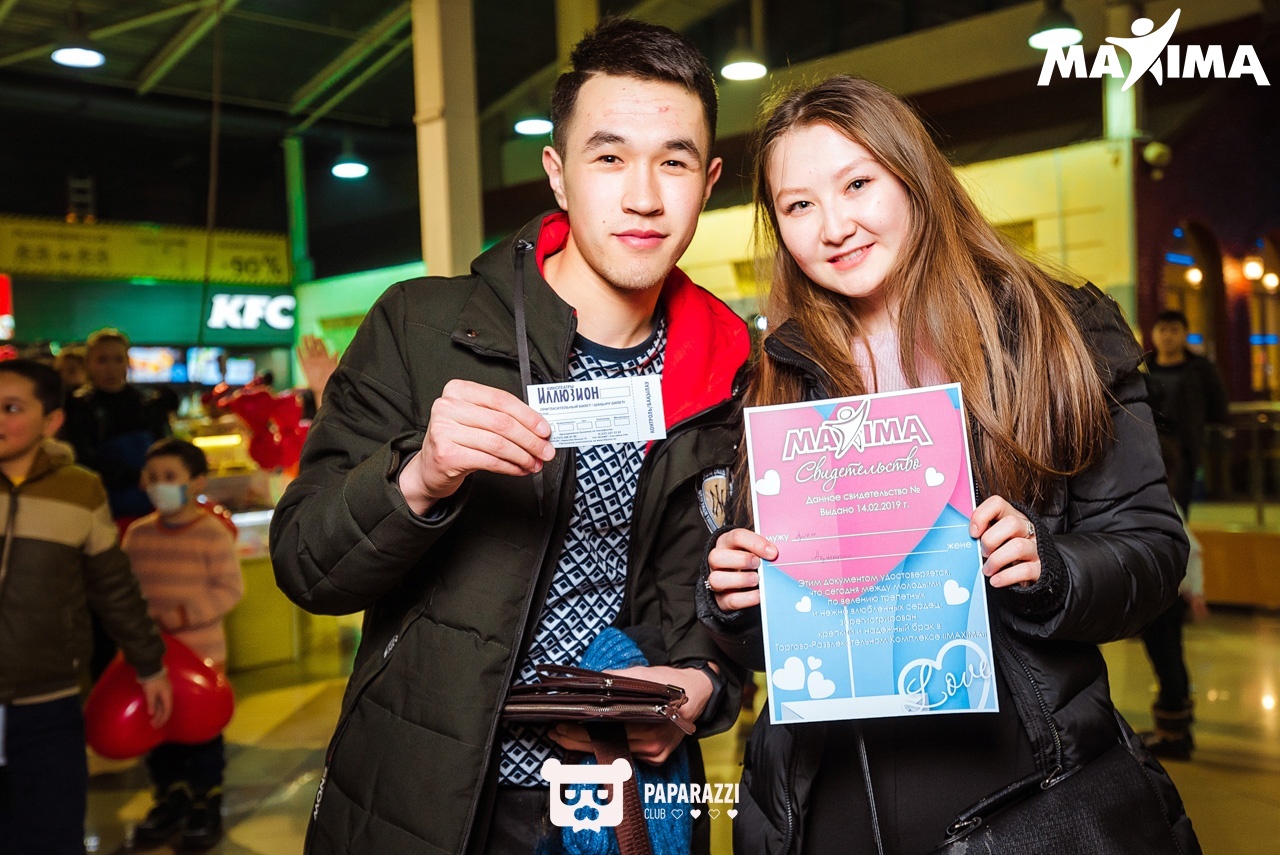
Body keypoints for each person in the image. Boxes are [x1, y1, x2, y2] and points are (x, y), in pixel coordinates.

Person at [270, 18, 749, 855]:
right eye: (609, 157)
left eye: (673, 162)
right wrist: (419, 476)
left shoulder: (727, 373)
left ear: (707, 181)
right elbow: (306, 564)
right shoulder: (424, 328)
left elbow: (713, 601)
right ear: (558, 174)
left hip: (618, 794)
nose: (644, 196)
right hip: (431, 795)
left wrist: (703, 684)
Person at [698, 76, 1198, 854]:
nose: (834, 226)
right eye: (798, 205)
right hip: (825, 803)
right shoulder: (775, 376)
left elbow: (1153, 550)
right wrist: (735, 599)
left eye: (857, 184)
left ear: (913, 175)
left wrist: (1050, 567)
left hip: (1027, 795)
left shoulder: (1052, 333)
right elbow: (769, 641)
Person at [0, 359, 171, 855]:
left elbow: (112, 586)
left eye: (12, 408)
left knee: (51, 833)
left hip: (48, 701)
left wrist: (149, 664)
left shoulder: (80, 489)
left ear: (51, 421)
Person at [123, 438, 244, 850]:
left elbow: (230, 589)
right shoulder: (137, 535)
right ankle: (169, 796)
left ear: (196, 482)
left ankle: (205, 800)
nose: (159, 484)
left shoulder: (212, 534)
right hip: (151, 657)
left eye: (170, 476)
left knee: (201, 731)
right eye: (153, 476)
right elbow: (124, 591)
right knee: (159, 730)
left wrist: (182, 615)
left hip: (201, 656)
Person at [61, 328, 173, 679]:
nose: (110, 368)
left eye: (117, 359)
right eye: (102, 360)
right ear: (89, 364)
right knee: (107, 602)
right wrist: (131, 475)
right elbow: (81, 461)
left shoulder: (147, 404)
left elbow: (168, 451)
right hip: (101, 518)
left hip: (151, 517)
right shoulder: (78, 408)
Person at [1143, 309, 1228, 513]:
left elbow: (1217, 404)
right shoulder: (1144, 368)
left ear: (1185, 334)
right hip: (1149, 445)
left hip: (1185, 446)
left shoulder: (1200, 368)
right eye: (1162, 330)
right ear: (1153, 334)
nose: (1167, 336)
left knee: (1179, 503)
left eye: (1174, 330)